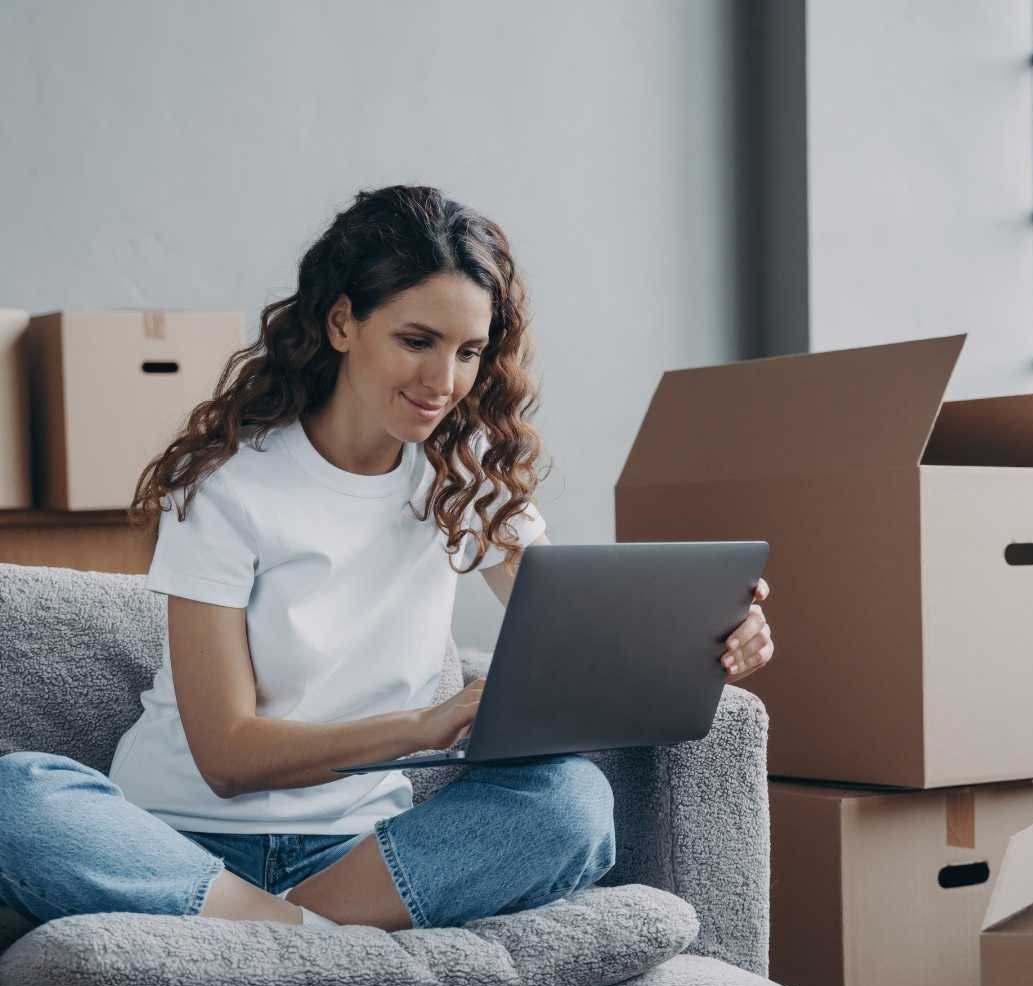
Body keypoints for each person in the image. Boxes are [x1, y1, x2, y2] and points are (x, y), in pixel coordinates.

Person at [0, 184, 774, 934]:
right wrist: (424, 726)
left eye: (469, 351)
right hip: (174, 838)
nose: (443, 382)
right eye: (417, 341)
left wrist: (706, 642)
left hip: (359, 857)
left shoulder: (466, 472)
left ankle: (259, 934)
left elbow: (584, 645)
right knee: (16, 796)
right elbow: (227, 756)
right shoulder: (230, 485)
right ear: (342, 322)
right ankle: (305, 936)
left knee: (570, 801)